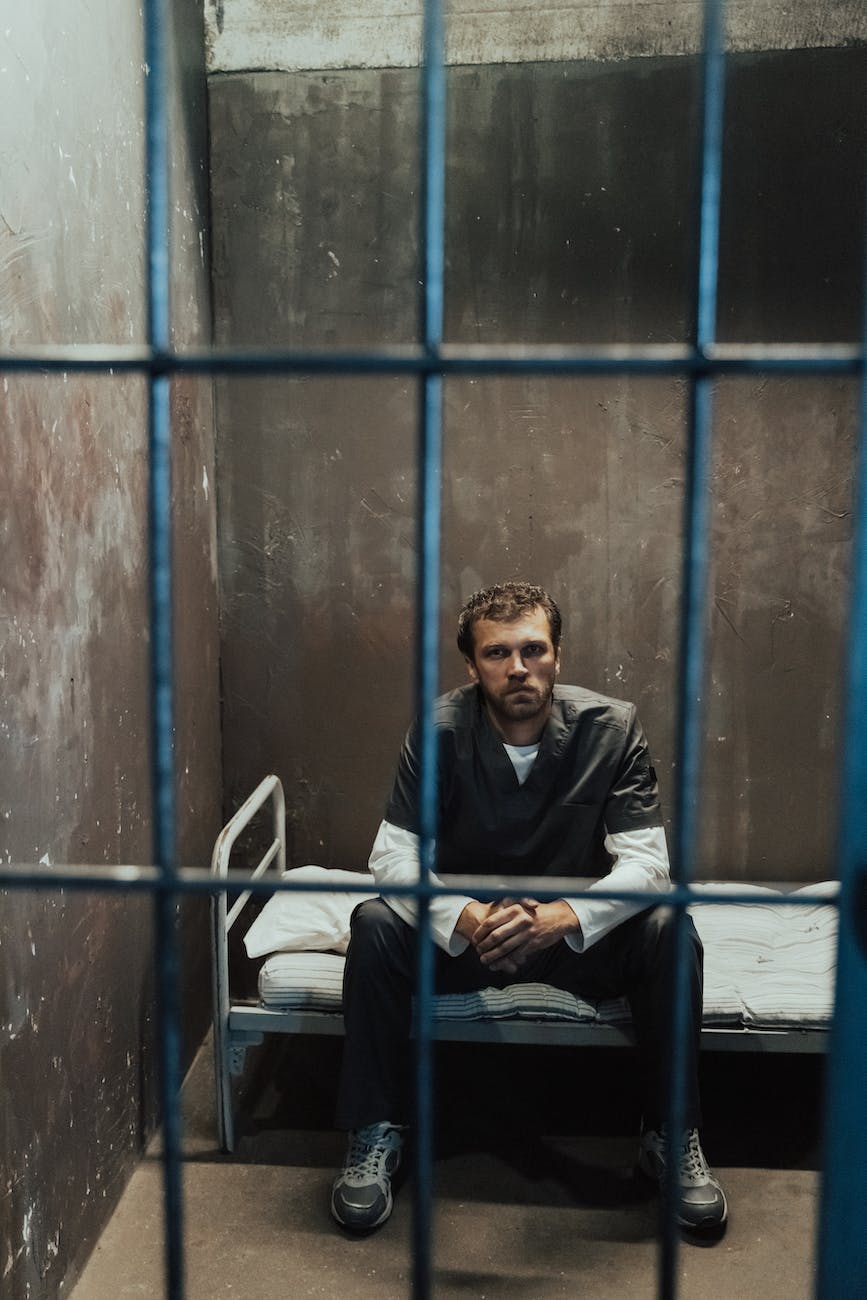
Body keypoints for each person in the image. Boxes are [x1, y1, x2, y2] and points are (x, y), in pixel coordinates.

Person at [330, 581, 727, 1234]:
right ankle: (375, 1128)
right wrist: (465, 917)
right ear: (472, 666)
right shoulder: (438, 730)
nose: (518, 667)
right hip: (472, 938)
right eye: (497, 653)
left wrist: (562, 917)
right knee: (374, 923)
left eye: (533, 649)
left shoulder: (611, 728)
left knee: (668, 929)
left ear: (556, 655)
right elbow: (393, 858)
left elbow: (647, 864)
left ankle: (670, 1133)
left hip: (572, 939)